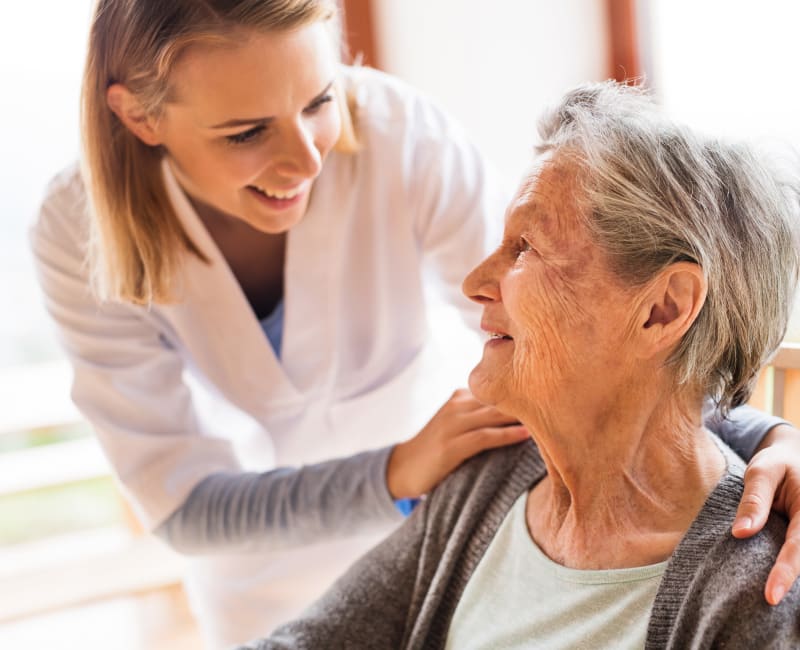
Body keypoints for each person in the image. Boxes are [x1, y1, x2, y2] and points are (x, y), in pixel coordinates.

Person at [29, 1, 800, 646]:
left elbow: (601, 342)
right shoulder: (75, 232)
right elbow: (187, 505)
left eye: (321, 100)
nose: (306, 158)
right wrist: (397, 474)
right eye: (245, 133)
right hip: (288, 570)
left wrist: (767, 438)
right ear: (138, 116)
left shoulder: (402, 138)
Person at [243, 81, 800, 649]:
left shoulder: (756, 591)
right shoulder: (491, 475)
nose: (475, 284)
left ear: (663, 309)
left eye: (525, 247)